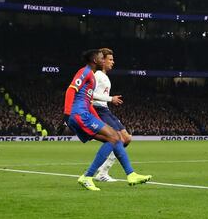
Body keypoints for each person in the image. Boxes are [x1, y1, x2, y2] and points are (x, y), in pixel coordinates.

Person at [64, 49, 151, 191]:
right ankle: (89, 175)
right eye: (101, 58)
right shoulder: (85, 72)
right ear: (95, 60)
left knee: (116, 138)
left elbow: (88, 101)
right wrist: (66, 115)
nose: (103, 60)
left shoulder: (91, 77)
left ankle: (130, 174)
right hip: (80, 114)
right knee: (114, 138)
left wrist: (97, 119)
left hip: (87, 113)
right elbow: (71, 90)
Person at [91, 48, 131, 183]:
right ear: (102, 61)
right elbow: (90, 94)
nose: (113, 62)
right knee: (118, 138)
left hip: (105, 110)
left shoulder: (104, 76)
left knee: (127, 138)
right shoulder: (97, 75)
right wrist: (110, 99)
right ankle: (101, 172)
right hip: (99, 110)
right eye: (110, 59)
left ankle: (102, 171)